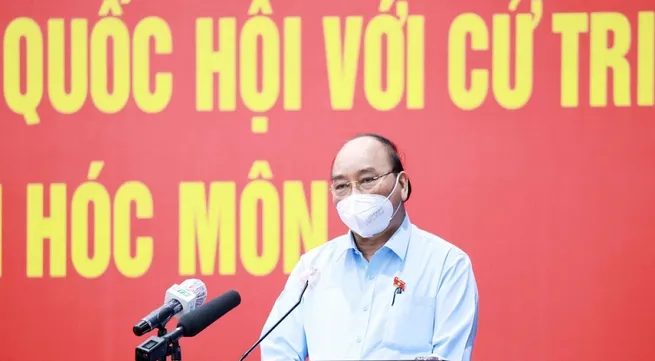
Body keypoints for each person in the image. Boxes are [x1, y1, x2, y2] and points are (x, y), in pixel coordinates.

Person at [259, 134, 479, 361]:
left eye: (367, 180)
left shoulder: (446, 264)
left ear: (401, 185)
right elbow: (278, 351)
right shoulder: (313, 267)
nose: (354, 195)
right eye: (342, 186)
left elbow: (450, 355)